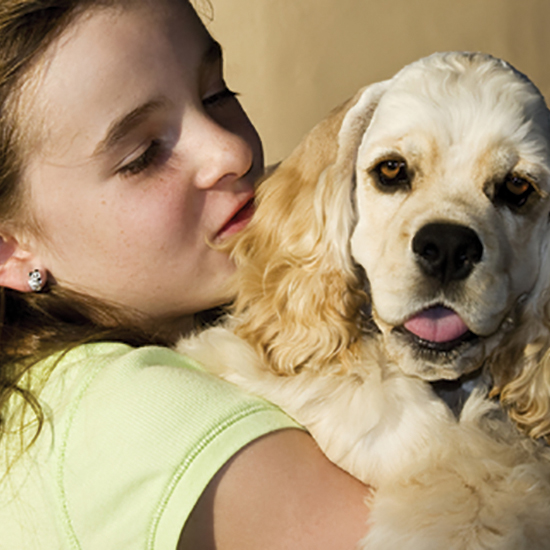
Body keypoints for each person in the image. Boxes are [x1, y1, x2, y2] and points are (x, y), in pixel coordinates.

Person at [0, 0, 371, 548]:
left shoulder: (39, 399)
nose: (232, 150)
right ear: (10, 248)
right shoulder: (135, 414)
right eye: (144, 155)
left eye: (217, 94)